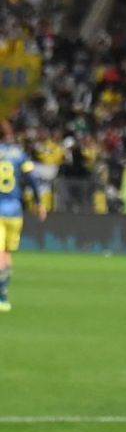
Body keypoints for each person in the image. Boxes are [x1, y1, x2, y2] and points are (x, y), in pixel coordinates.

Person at [0, 122, 46, 312]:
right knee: (6, 254)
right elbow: (32, 179)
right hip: (15, 212)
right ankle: (3, 295)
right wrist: (39, 203)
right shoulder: (19, 154)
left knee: (0, 255)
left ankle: (1, 295)